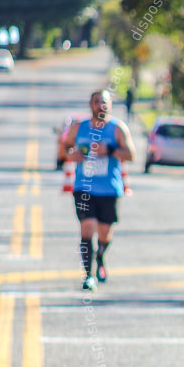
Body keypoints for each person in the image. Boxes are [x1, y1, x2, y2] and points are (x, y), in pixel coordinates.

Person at [64, 90, 137, 291]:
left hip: (109, 189)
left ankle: (100, 255)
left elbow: (131, 154)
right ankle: (88, 276)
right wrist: (73, 155)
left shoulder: (117, 129)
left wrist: (111, 150)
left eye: (104, 102)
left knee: (105, 233)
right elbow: (67, 148)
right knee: (87, 228)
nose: (100, 106)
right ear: (90, 105)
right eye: (97, 102)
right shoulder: (78, 127)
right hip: (83, 188)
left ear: (110, 105)